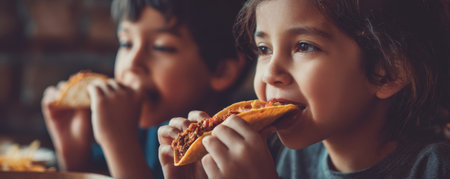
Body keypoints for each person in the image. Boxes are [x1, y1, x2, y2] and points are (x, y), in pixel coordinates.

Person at [158, 0, 450, 178]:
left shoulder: (435, 169)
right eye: (264, 48)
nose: (271, 72)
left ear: (387, 72)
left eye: (304, 46)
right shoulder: (278, 154)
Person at [41, 0, 249, 178]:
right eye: (126, 43)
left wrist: (120, 144)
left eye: (161, 47)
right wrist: (75, 159)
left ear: (222, 71)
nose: (133, 63)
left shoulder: (225, 150)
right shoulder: (136, 128)